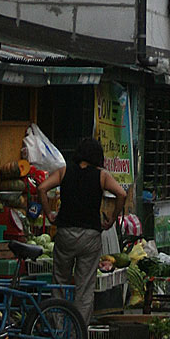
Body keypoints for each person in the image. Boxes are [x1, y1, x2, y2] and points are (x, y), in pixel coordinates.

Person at [37, 138, 127, 325]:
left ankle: (58, 329)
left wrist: (49, 213)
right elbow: (122, 194)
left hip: (65, 233)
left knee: (60, 282)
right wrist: (112, 218)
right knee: (84, 287)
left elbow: (42, 188)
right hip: (90, 236)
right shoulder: (101, 176)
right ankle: (78, 334)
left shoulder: (64, 171)